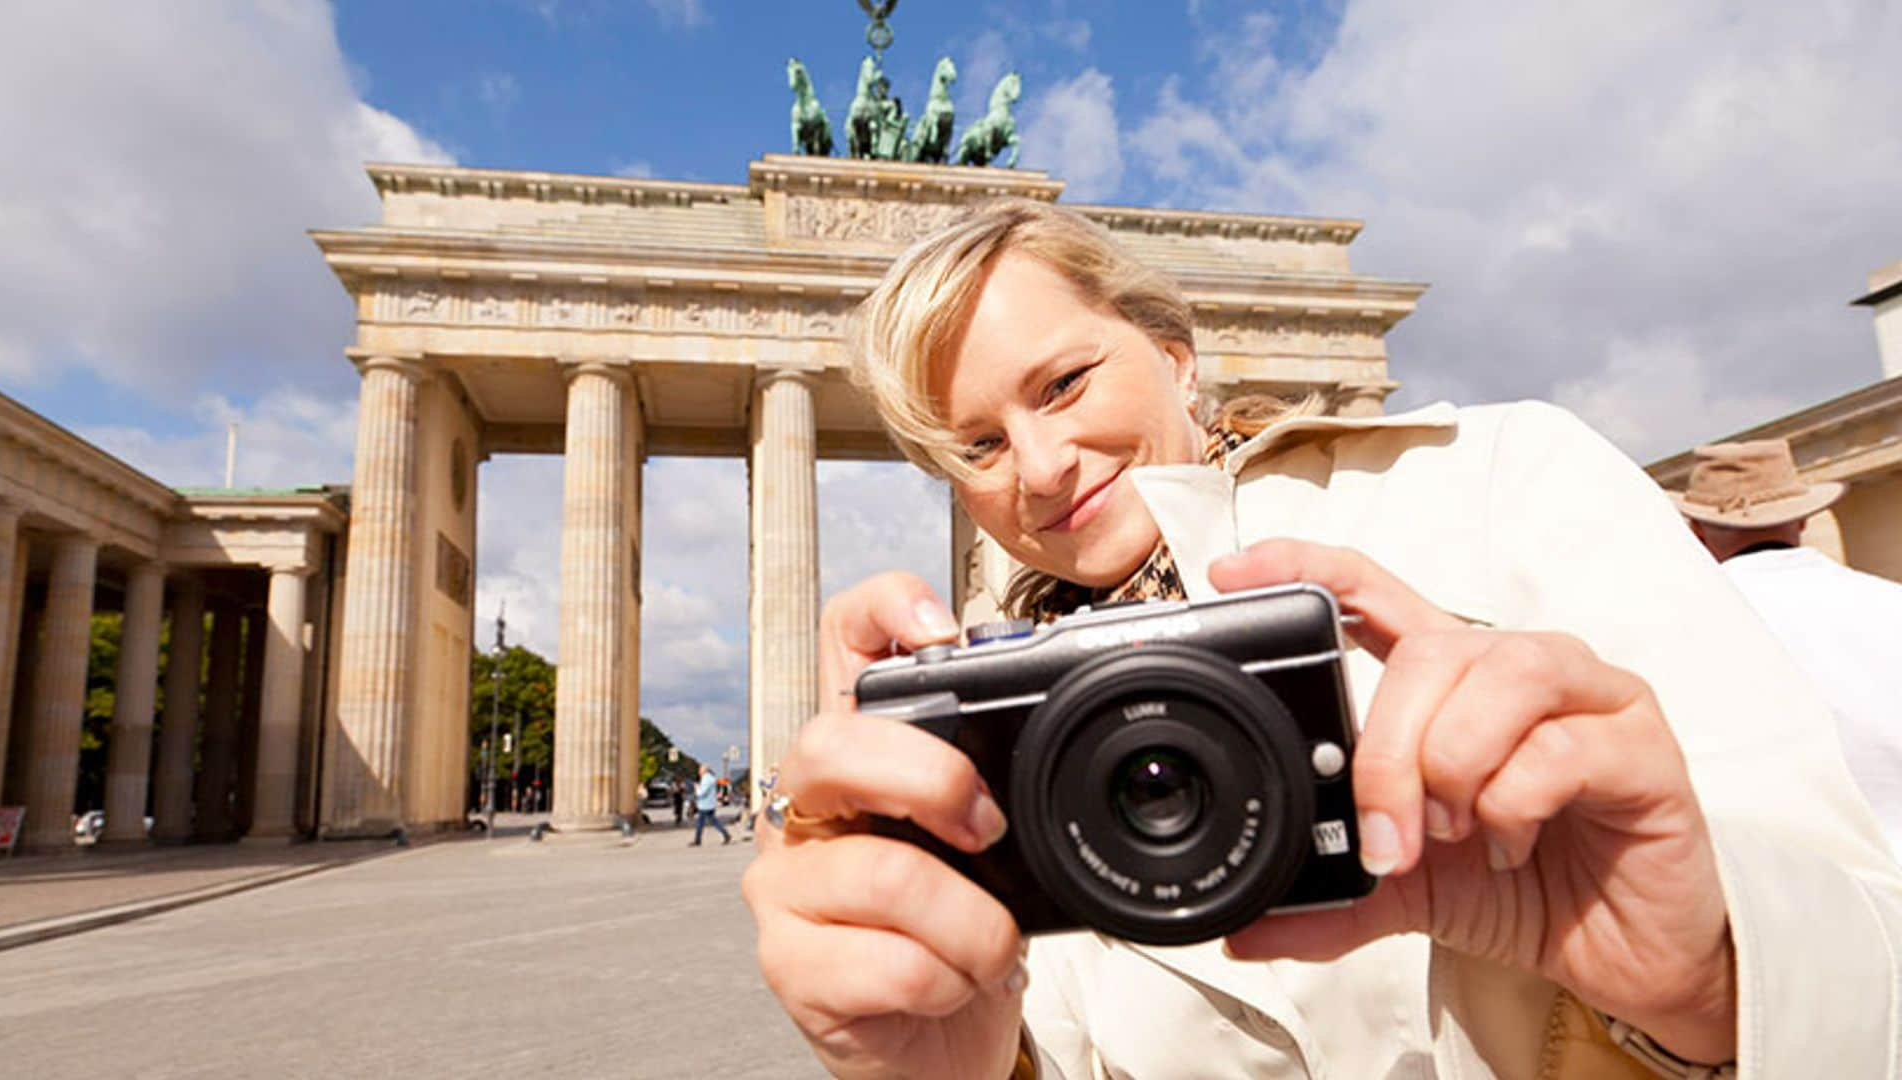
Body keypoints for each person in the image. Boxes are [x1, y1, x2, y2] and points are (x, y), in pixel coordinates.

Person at [739, 199, 1902, 1079]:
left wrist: (1712, 979)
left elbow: (1860, 926)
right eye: (979, 449)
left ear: (1173, 352)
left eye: (1064, 382)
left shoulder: (1495, 480)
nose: (1041, 468)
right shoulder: (990, 727)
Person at [1673, 438, 1902, 857]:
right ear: (1801, 520)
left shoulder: (1684, 628)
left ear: (1697, 532)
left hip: (1802, 895)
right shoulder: (1892, 602)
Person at [690, 764, 731, 847]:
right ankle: (726, 834)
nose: (699, 772)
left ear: (704, 771)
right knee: (714, 821)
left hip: (705, 805)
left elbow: (701, 793)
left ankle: (697, 840)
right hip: (710, 804)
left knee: (700, 823)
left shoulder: (706, 779)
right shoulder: (711, 778)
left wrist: (696, 788)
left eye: (700, 770)